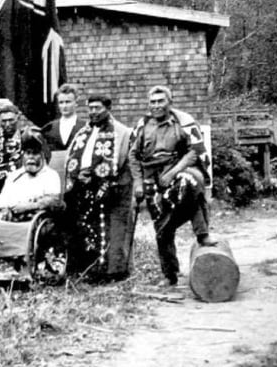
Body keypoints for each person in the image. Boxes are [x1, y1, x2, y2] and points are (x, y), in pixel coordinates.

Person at [128, 86, 216, 287]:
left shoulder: (182, 123)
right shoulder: (142, 126)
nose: (156, 106)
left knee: (191, 185)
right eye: (153, 102)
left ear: (170, 102)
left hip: (176, 171)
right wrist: (138, 183)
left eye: (161, 101)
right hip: (152, 179)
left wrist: (173, 172)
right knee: (162, 228)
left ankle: (202, 234)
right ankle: (170, 274)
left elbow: (194, 152)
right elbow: (133, 156)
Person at [0, 129, 63, 279]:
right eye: (27, 153)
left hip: (36, 216)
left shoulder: (50, 175)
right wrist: (6, 208)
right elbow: (2, 200)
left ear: (42, 155)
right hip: (12, 214)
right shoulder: (15, 176)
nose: (30, 158)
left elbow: (53, 200)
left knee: (25, 227)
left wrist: (28, 206)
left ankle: (20, 263)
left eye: (35, 154)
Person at [64, 94, 134, 280]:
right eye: (90, 108)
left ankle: (110, 271)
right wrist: (78, 176)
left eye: (97, 108)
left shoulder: (121, 132)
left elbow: (121, 164)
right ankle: (87, 268)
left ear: (108, 108)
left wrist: (103, 182)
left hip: (109, 186)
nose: (93, 112)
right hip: (82, 184)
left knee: (108, 228)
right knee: (85, 226)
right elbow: (73, 159)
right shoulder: (83, 132)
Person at [42, 84, 85, 150]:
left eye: (68, 102)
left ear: (76, 103)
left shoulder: (85, 127)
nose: (64, 106)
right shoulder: (49, 128)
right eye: (61, 102)